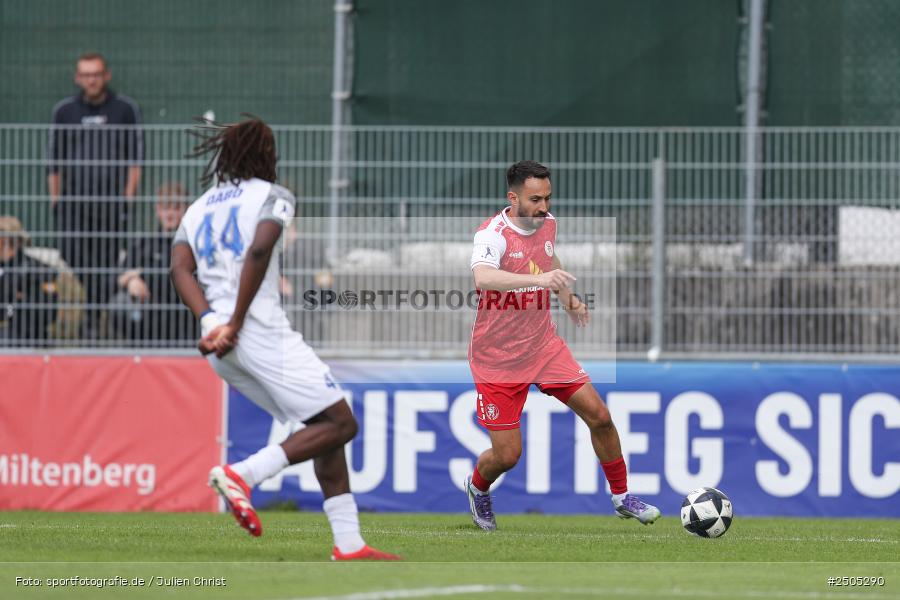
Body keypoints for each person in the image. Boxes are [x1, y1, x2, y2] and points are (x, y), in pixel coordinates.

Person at [170, 116, 400, 561]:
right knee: (340, 423)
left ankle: (349, 544)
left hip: (216, 340)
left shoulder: (197, 207)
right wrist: (236, 322)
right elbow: (259, 249)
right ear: (265, 154)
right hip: (255, 332)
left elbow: (180, 268)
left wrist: (209, 321)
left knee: (320, 426)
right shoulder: (273, 196)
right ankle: (243, 475)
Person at [465, 160, 661, 530]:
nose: (543, 206)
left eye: (547, 198)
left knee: (600, 417)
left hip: (543, 347)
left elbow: (547, 258)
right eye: (535, 199)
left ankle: (621, 498)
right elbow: (483, 277)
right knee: (507, 456)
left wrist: (567, 298)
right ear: (513, 197)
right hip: (497, 359)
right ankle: (478, 489)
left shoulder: (548, 223)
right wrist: (536, 282)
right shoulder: (492, 234)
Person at [47, 52, 143, 338]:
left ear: (106, 75)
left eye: (96, 74)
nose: (91, 79)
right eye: (86, 74)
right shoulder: (64, 111)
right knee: (74, 255)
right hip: (74, 203)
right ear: (78, 78)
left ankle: (93, 320)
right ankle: (96, 310)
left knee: (106, 260)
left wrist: (127, 200)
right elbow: (53, 161)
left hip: (111, 203)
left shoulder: (125, 109)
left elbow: (136, 160)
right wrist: (56, 202)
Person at [109, 182, 196, 342]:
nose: (169, 214)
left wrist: (141, 273)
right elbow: (114, 278)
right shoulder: (144, 243)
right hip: (146, 321)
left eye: (175, 208)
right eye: (165, 208)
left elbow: (174, 280)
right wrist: (131, 282)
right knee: (119, 303)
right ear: (158, 210)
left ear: (185, 211)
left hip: (182, 323)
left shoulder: (192, 245)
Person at [0, 216, 58, 344]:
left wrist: (14, 302)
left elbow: (49, 312)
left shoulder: (38, 269)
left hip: (25, 335)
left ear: (5, 240)